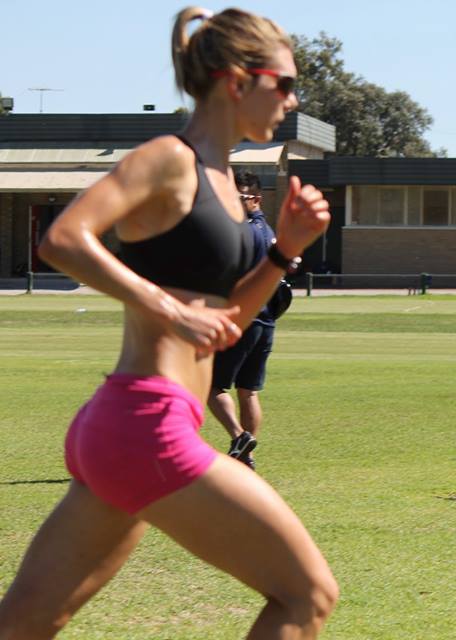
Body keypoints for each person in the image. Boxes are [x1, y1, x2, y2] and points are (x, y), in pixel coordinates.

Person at [0, 8, 339, 637]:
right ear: (237, 81)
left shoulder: (223, 176)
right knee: (306, 595)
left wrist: (284, 250)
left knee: (25, 623)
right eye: (285, 83)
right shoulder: (169, 158)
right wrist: (165, 305)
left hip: (131, 426)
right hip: (145, 425)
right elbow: (64, 238)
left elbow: (227, 324)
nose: (292, 100)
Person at [207, 171, 278, 470]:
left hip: (242, 320)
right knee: (248, 390)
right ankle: (246, 455)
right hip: (266, 322)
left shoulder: (242, 231)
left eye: (238, 197)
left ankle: (238, 437)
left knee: (211, 387)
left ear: (255, 199)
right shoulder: (269, 232)